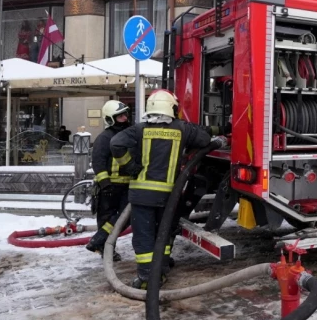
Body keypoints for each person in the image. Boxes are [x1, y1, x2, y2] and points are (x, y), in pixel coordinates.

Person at [110, 90, 228, 289]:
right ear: (171, 108)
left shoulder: (139, 130)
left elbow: (116, 143)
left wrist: (129, 166)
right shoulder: (181, 128)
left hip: (141, 194)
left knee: (144, 235)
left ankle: (148, 277)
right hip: (168, 195)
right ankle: (161, 268)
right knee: (163, 231)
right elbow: (203, 139)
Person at [84, 101, 133, 260]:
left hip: (126, 185)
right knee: (106, 218)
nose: (125, 118)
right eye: (120, 116)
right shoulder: (105, 138)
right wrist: (105, 184)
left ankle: (99, 240)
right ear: (111, 119)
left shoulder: (129, 134)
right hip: (110, 186)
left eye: (125, 114)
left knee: (123, 218)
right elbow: (98, 162)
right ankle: (106, 251)